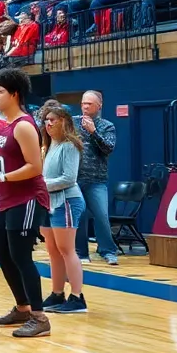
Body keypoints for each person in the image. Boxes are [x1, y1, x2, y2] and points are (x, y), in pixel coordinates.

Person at [0, 68, 51, 338]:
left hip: (28, 198)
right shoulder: (1, 126)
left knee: (21, 256)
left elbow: (35, 167)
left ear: (15, 94)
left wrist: (2, 177)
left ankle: (39, 317)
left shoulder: (23, 125)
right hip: (6, 199)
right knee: (2, 253)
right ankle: (22, 308)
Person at [40, 106, 87, 314]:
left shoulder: (69, 145)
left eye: (53, 120)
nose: (48, 124)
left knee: (67, 249)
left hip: (67, 201)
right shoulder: (49, 145)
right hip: (50, 202)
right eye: (46, 120)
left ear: (64, 122)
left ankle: (77, 297)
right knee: (52, 251)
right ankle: (57, 293)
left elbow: (69, 179)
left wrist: (41, 185)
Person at [75, 90, 118, 266]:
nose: (85, 107)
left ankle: (108, 251)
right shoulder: (73, 122)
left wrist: (93, 132)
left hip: (96, 180)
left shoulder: (107, 126)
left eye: (89, 104)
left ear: (99, 106)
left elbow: (108, 148)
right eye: (83, 103)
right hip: (75, 179)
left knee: (101, 215)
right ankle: (81, 252)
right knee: (80, 214)